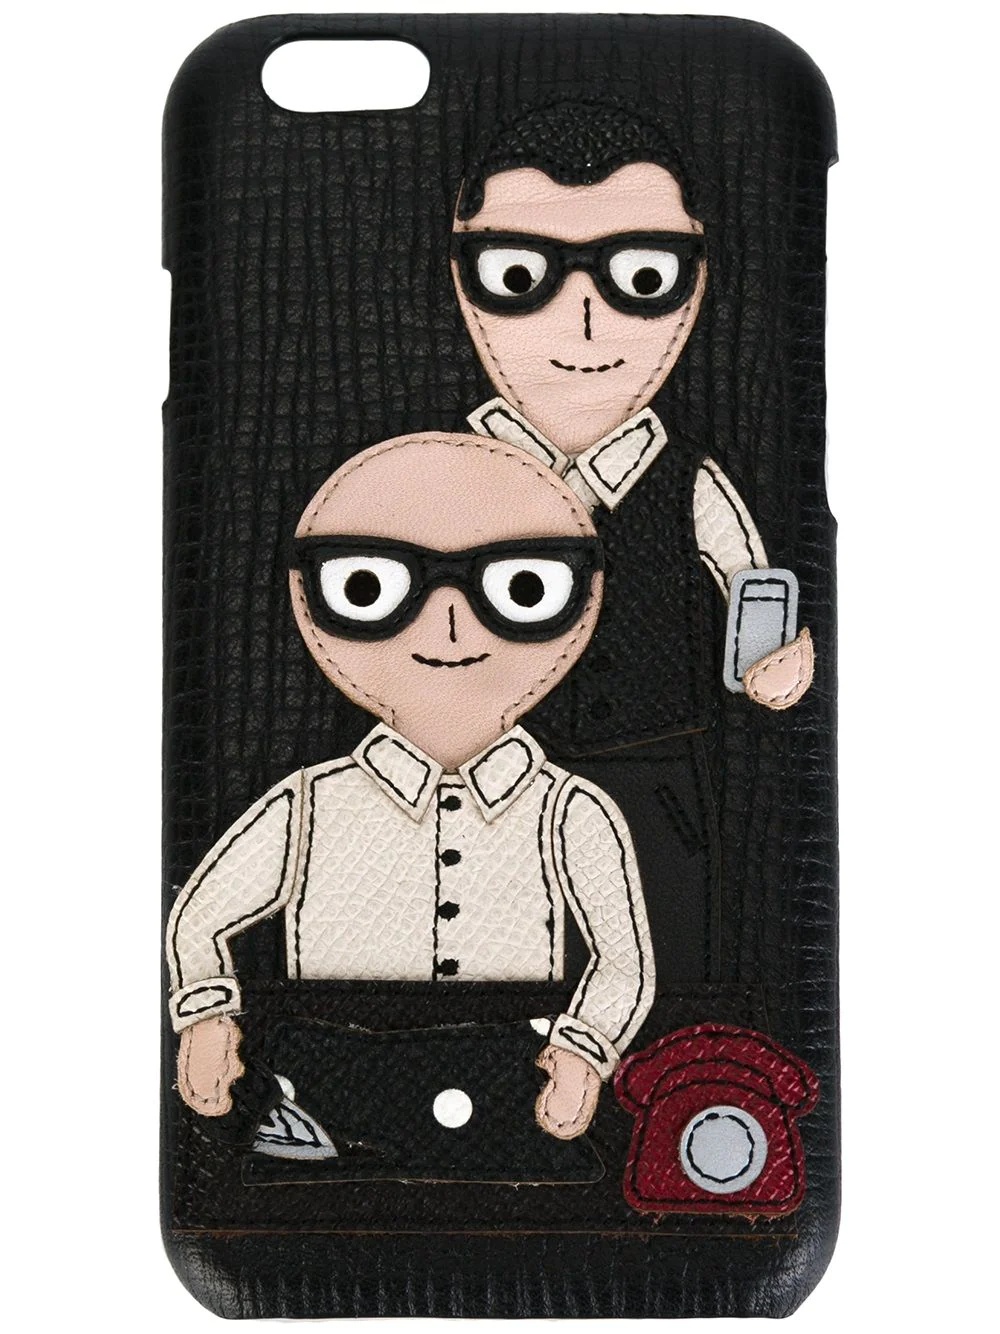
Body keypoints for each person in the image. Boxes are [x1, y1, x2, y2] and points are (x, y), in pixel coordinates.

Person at [166, 432, 654, 1175]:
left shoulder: (568, 811)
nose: (450, 623)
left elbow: (625, 960)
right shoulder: (312, 803)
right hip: (327, 1083)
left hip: (506, 1081)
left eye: (522, 587)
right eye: (369, 585)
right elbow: (198, 917)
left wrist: (585, 1048)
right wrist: (207, 1016)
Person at [448, 103, 815, 981]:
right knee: (508, 961)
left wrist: (775, 666)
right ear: (462, 277)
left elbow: (753, 585)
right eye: (519, 273)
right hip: (496, 773)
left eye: (640, 274)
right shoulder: (453, 470)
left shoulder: (686, 480)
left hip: (657, 776)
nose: (582, 320)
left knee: (670, 958)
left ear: (696, 277)